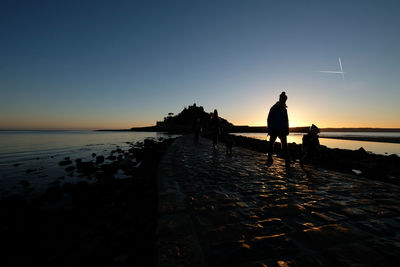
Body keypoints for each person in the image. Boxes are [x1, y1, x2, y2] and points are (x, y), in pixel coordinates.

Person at [267, 92, 290, 166]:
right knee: (271, 144)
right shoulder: (273, 108)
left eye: (285, 100)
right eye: (283, 99)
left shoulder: (284, 109)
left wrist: (287, 129)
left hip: (282, 130)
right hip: (274, 129)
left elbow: (286, 120)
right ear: (280, 99)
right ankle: (269, 157)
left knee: (284, 146)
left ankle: (287, 161)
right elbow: (269, 119)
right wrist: (270, 129)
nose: (284, 101)